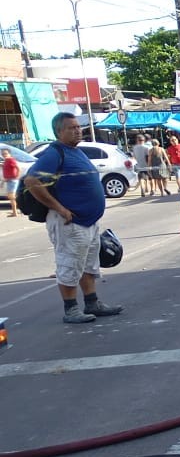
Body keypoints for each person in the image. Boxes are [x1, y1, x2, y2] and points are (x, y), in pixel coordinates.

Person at [24, 112, 124, 324]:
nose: (78, 130)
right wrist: (60, 209)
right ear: (59, 131)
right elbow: (32, 181)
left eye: (78, 127)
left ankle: (92, 303)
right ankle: (71, 309)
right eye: (71, 127)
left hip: (88, 222)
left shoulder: (75, 151)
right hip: (70, 222)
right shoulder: (55, 153)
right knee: (69, 265)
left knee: (88, 265)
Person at [3, 147, 19, 216]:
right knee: (11, 196)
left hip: (12, 180)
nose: (4, 155)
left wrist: (16, 177)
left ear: (9, 154)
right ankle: (14, 212)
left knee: (11, 197)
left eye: (6, 153)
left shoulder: (11, 160)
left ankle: (15, 213)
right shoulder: (6, 161)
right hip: (9, 180)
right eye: (3, 154)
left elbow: (18, 168)